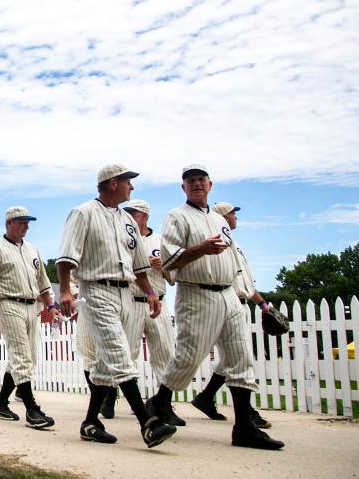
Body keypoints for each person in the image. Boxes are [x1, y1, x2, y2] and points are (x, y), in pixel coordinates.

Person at [147, 165, 283, 450]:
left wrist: (255, 299)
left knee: (240, 358)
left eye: (201, 180)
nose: (196, 184)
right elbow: (170, 262)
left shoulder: (219, 220)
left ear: (210, 185)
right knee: (188, 356)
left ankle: (244, 428)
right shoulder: (176, 217)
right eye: (190, 181)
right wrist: (201, 249)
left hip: (229, 294)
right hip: (197, 293)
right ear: (182, 188)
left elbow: (234, 261)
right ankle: (159, 404)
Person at [57, 165, 177, 448]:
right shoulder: (83, 213)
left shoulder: (127, 220)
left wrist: (149, 292)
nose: (131, 188)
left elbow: (138, 263)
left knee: (105, 364)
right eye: (127, 182)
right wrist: (64, 290)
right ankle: (148, 423)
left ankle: (90, 422)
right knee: (120, 354)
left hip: (126, 292)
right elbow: (65, 257)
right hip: (96, 289)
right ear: (112, 184)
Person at [0, 206, 57, 430]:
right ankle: (31, 409)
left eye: (28, 223)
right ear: (8, 223)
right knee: (21, 355)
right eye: (21, 222)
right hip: (8, 303)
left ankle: (0, 403)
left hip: (32, 306)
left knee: (27, 356)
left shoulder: (32, 250)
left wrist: (51, 306)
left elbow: (44, 283)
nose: (26, 226)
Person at [190, 202, 272, 429]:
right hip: (226, 302)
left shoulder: (234, 244)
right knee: (238, 357)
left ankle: (205, 398)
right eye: (232, 214)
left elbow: (246, 281)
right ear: (223, 218)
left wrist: (263, 304)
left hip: (239, 303)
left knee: (233, 358)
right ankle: (247, 413)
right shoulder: (219, 244)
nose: (235, 217)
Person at [120, 199, 184, 426]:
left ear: (144, 216)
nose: (128, 217)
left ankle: (164, 405)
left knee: (164, 353)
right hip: (132, 301)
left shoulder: (161, 242)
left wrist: (161, 266)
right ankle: (112, 397)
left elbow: (173, 277)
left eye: (133, 214)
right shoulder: (124, 241)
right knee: (127, 354)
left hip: (159, 301)